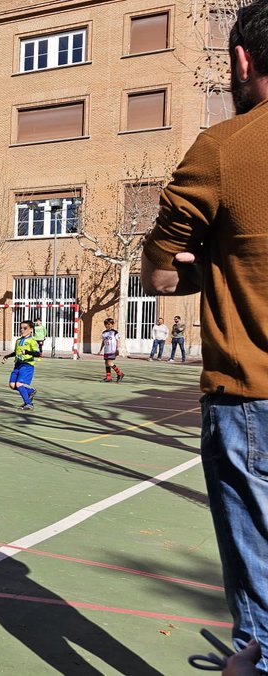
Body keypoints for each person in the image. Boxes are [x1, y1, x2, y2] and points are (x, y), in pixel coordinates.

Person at [141, 2, 268, 669]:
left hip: (252, 396)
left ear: (243, 59)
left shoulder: (224, 148)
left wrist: (204, 265)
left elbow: (160, 273)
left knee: (261, 608)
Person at [2, 320, 41, 410]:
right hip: (17, 365)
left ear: (31, 329)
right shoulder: (18, 340)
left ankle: (29, 404)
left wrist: (27, 352)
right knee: (12, 385)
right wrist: (7, 356)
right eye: (21, 328)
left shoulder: (32, 341)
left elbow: (38, 354)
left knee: (19, 384)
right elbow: (16, 352)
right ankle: (31, 391)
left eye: (25, 328)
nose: (22, 330)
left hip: (27, 365)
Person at [100, 318, 124, 382]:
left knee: (110, 362)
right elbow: (103, 342)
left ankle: (120, 373)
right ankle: (108, 377)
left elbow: (118, 341)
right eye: (106, 324)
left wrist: (118, 349)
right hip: (106, 350)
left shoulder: (115, 332)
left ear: (112, 324)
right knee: (106, 363)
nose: (107, 326)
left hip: (112, 350)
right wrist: (100, 349)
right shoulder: (104, 333)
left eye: (109, 324)